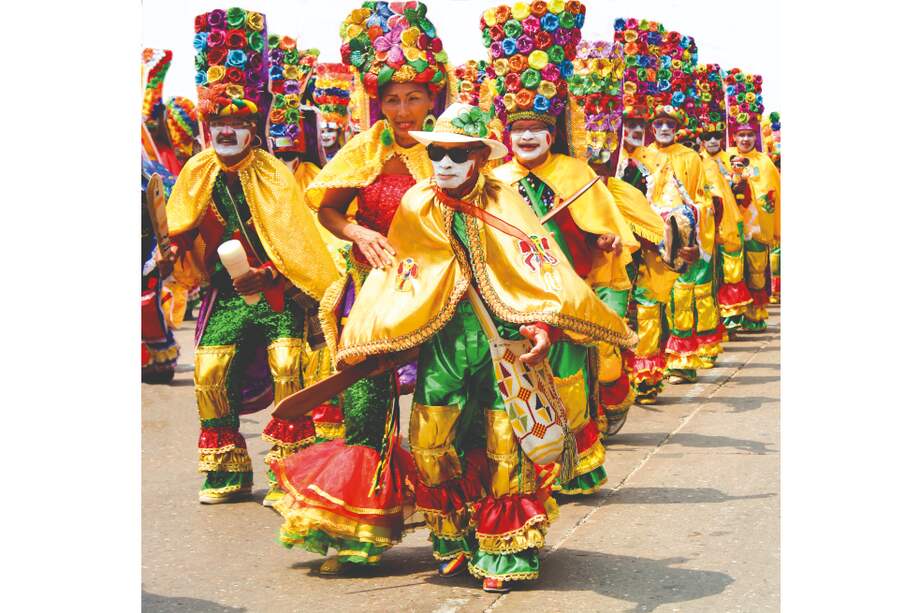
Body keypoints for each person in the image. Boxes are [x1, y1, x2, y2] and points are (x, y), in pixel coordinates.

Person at [329, 101, 637, 593]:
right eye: (438, 156)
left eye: (459, 155)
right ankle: (452, 537)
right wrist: (381, 334)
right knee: (431, 440)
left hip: (503, 340)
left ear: (480, 157)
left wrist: (540, 324)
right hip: (445, 344)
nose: (446, 166)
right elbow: (401, 277)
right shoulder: (416, 204)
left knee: (503, 444)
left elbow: (536, 265)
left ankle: (507, 545)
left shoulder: (505, 200)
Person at [271, 1, 448, 575]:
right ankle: (354, 533)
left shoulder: (452, 147)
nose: (401, 110)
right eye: (392, 98)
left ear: (434, 97)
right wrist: (358, 231)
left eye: (413, 97)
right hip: (372, 297)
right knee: (365, 405)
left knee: (442, 408)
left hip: (441, 298)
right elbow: (327, 209)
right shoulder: (366, 148)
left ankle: (455, 523)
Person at [166, 7, 339, 505]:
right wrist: (171, 247)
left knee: (289, 365)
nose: (226, 130)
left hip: (276, 295)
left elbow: (295, 242)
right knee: (208, 370)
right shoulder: (196, 172)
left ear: (253, 124)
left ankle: (292, 469)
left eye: (237, 120)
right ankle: (227, 469)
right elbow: (180, 231)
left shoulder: (273, 172)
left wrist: (266, 274)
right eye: (218, 120)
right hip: (226, 298)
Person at [486, 1, 638, 495]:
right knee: (521, 381)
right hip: (514, 295)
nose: (527, 137)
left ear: (552, 132)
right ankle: (529, 467)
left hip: (567, 291)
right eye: (519, 130)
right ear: (507, 135)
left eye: (536, 129)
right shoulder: (496, 178)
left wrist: (606, 238)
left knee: (569, 379)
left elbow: (601, 229)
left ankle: (579, 464)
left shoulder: (575, 175)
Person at [693, 64, 751, 338]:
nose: (713, 140)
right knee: (708, 277)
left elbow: (745, 193)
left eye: (717, 135)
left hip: (729, 224)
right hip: (705, 225)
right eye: (707, 136)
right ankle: (712, 324)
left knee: (729, 272)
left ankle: (731, 319)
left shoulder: (732, 160)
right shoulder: (695, 161)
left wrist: (739, 184)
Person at [725, 69, 780, 332]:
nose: (745, 138)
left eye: (749, 134)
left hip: (756, 228)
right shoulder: (725, 158)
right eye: (740, 134)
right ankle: (733, 315)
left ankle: (755, 314)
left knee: (756, 270)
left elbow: (773, 196)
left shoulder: (765, 162)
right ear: (734, 136)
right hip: (730, 227)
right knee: (732, 270)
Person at [142, 158, 179, 384]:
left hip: (147, 249)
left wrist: (163, 249)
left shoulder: (150, 176)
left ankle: (162, 361)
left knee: (146, 305)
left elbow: (166, 212)